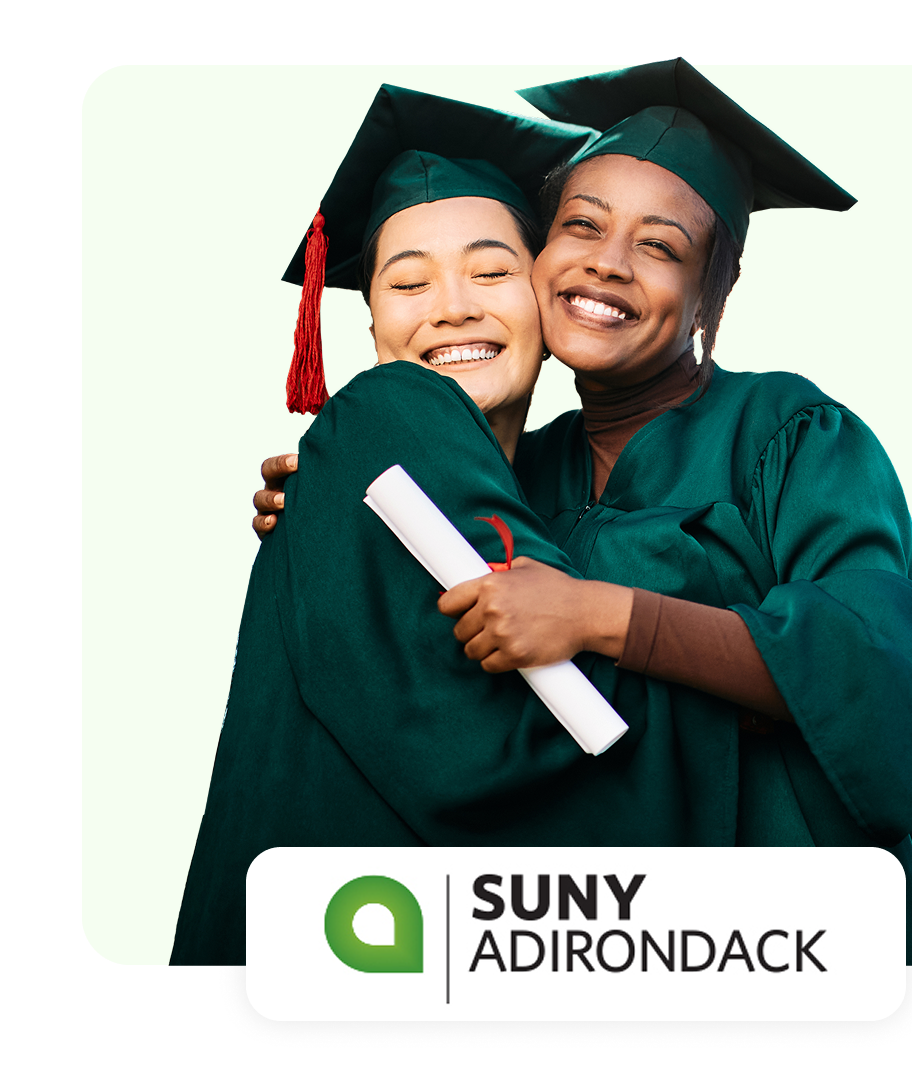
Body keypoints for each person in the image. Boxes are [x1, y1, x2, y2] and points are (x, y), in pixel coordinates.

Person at [250, 64, 912, 965]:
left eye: (661, 246)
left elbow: (871, 673)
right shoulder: (508, 479)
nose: (607, 261)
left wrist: (601, 616)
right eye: (582, 226)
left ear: (715, 289)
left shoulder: (791, 434)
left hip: (803, 929)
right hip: (614, 941)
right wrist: (330, 515)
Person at [172, 86, 741, 966]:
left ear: (547, 300)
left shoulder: (534, 484)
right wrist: (735, 638)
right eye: (408, 282)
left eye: (491, 272)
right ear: (371, 321)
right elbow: (559, 740)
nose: (452, 308)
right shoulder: (393, 408)